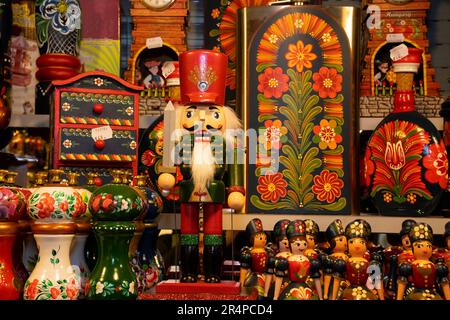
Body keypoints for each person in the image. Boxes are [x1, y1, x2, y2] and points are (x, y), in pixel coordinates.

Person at [157, 50, 245, 283]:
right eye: (193, 113)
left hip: (215, 190)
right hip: (188, 190)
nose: (202, 120)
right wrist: (167, 175)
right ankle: (188, 273)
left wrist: (236, 188)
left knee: (215, 235)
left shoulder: (227, 143)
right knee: (188, 235)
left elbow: (235, 163)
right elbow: (169, 157)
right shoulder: (180, 139)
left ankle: (214, 274)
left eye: (212, 113)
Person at [397, 223, 450, 300]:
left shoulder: (438, 266)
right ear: (413, 249)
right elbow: (402, 283)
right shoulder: (408, 266)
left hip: (433, 294)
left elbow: (444, 284)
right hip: (415, 293)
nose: (425, 250)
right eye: (419, 246)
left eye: (428, 246)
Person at [273, 220, 322, 300]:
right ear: (289, 244)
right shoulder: (287, 260)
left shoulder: (308, 260)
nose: (302, 246)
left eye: (304, 244)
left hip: (305, 288)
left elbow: (316, 278)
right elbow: (279, 277)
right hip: (293, 288)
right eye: (298, 244)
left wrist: (320, 297)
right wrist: (275, 296)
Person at [239, 218, 274, 299]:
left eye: (264, 238)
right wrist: (242, 284)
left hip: (266, 277)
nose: (263, 241)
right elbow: (243, 270)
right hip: (253, 277)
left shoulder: (268, 251)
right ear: (252, 239)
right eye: (260, 238)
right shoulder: (248, 252)